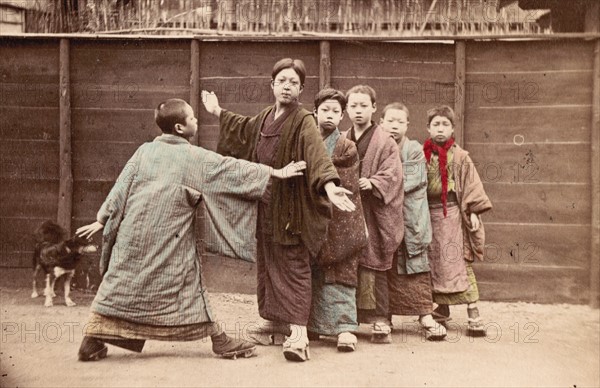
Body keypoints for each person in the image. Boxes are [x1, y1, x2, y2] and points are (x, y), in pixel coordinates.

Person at [75, 98, 307, 361]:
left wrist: (103, 218)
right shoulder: (193, 156)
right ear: (179, 128)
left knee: (121, 282)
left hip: (132, 233)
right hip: (169, 237)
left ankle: (91, 340)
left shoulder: (143, 151)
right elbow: (230, 169)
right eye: (193, 118)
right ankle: (219, 339)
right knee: (187, 280)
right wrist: (276, 172)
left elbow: (122, 186)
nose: (197, 121)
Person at [201, 58, 355, 362]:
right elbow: (242, 129)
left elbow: (316, 154)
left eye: (294, 82)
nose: (287, 86)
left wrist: (329, 186)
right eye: (282, 80)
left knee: (294, 265)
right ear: (272, 85)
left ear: (300, 89)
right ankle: (273, 322)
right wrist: (218, 112)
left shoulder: (304, 120)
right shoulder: (264, 117)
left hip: (293, 207)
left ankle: (298, 335)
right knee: (269, 262)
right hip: (267, 202)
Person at [379, 102, 446, 341]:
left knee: (416, 266)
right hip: (384, 219)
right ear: (381, 122)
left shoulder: (415, 149)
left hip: (411, 217)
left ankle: (425, 317)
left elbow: (410, 179)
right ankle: (384, 317)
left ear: (407, 125)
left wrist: (381, 183)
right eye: (390, 121)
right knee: (386, 266)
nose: (394, 126)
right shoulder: (377, 147)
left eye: (400, 121)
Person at [307, 88, 367, 352]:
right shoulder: (305, 140)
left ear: (343, 116)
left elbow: (348, 183)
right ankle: (313, 326)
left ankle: (344, 328)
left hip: (341, 217)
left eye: (335, 111)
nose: (330, 115)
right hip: (312, 214)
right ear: (315, 112)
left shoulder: (346, 147)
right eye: (325, 110)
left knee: (341, 271)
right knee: (312, 272)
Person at [423, 105, 492, 337]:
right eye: (436, 124)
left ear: (453, 129)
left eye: (445, 124)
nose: (440, 129)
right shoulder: (421, 153)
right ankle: (441, 309)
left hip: (452, 216)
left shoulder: (461, 156)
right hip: (427, 216)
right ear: (428, 128)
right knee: (434, 264)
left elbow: (472, 186)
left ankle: (473, 313)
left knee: (458, 262)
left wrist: (473, 212)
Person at [343, 85, 403, 343]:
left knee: (376, 263)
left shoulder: (385, 141)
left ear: (374, 108)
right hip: (347, 208)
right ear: (346, 108)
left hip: (374, 210)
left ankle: (381, 320)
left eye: (363, 106)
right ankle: (346, 319)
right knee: (346, 263)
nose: (358, 111)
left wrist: (374, 182)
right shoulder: (342, 138)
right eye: (353, 106)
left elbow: (393, 173)